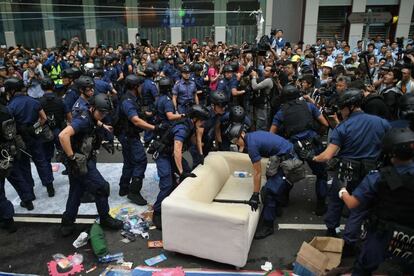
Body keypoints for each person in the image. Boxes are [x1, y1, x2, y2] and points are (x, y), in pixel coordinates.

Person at [313, 88, 391, 255]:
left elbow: (327, 155)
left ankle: (331, 231)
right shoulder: (381, 122)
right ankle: (350, 241)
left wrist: (312, 157)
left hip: (346, 172)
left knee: (335, 200)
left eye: (342, 107)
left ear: (350, 106)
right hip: (370, 172)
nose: (340, 111)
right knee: (360, 207)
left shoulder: (344, 127)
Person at [340, 128, 414, 275]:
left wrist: (342, 191)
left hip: (383, 233)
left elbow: (352, 204)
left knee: (363, 267)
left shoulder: (378, 177)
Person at [58, 88, 123, 236]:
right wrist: (72, 158)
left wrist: (102, 125)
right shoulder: (82, 120)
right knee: (102, 187)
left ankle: (67, 223)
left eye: (105, 113)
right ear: (92, 108)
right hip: (80, 161)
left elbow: (93, 119)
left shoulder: (89, 112)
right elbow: (63, 136)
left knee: (76, 191)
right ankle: (105, 218)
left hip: (83, 158)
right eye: (101, 112)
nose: (103, 115)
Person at [226, 123, 301, 239]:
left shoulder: (251, 146)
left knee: (268, 192)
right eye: (234, 142)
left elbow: (257, 172)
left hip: (288, 160)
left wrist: (255, 195)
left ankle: (268, 226)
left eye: (236, 140)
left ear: (242, 134)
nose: (236, 143)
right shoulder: (251, 137)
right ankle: (278, 205)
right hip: (284, 154)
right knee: (272, 179)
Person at [270, 85, 329, 215]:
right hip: (313, 143)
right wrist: (318, 134)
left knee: (288, 173)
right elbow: (325, 123)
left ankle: (283, 199)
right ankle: (320, 205)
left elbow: (271, 134)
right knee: (321, 174)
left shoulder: (281, 112)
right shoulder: (309, 106)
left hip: (293, 146)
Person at [152, 104, 210, 229]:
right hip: (163, 155)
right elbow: (177, 150)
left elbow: (195, 139)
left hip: (172, 154)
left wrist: (200, 154)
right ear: (195, 119)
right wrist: (181, 171)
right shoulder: (182, 128)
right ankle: (157, 212)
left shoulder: (191, 125)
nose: (203, 123)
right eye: (202, 120)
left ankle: (179, 201)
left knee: (189, 173)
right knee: (167, 183)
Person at [7, 77, 55, 198]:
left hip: (20, 139)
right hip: (35, 135)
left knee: (24, 165)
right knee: (41, 161)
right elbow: (44, 118)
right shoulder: (33, 101)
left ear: (11, 91)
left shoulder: (11, 106)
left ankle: (30, 192)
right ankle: (50, 187)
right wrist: (34, 127)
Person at [116, 74, 157, 205]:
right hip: (129, 135)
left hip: (125, 134)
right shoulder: (128, 101)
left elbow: (137, 113)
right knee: (140, 161)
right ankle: (134, 192)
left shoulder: (131, 97)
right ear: (135, 86)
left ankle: (123, 187)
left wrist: (148, 114)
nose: (142, 88)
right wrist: (154, 128)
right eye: (140, 86)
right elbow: (135, 120)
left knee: (129, 161)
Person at [39, 77, 71, 166]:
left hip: (45, 131)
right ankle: (70, 171)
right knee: (65, 152)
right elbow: (69, 117)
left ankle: (47, 179)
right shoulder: (61, 100)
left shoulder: (39, 102)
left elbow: (37, 119)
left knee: (46, 157)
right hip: (60, 130)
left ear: (42, 88)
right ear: (53, 87)